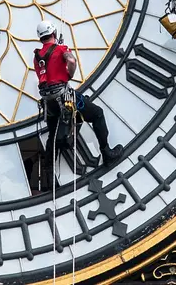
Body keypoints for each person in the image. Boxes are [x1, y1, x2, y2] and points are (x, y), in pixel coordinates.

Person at [33, 20, 122, 187]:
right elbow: (71, 61)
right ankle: (107, 153)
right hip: (65, 95)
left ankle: (50, 177)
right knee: (97, 113)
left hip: (48, 101)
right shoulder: (61, 49)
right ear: (54, 33)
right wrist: (70, 73)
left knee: (52, 135)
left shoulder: (37, 57)